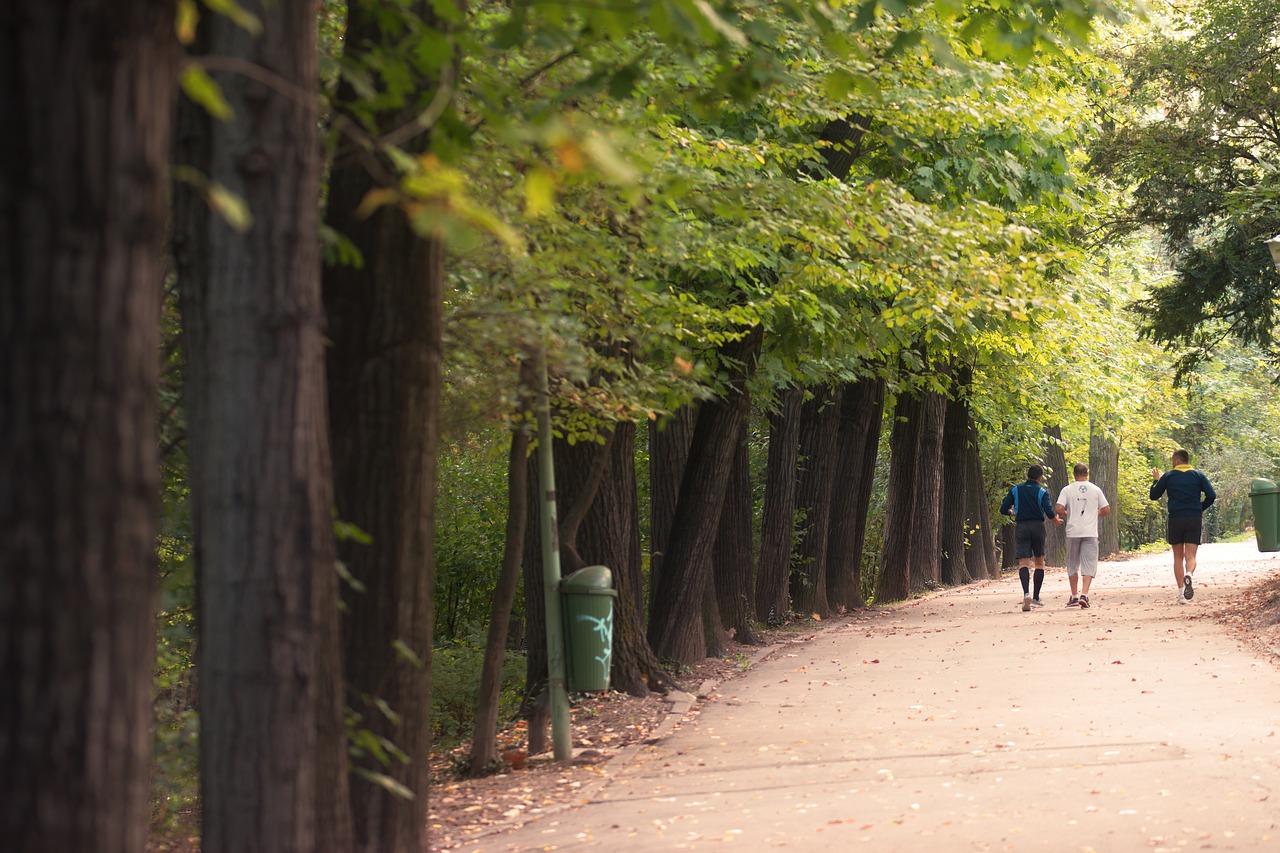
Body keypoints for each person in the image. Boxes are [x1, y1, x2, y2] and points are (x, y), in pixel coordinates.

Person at [1149, 450, 1216, 604]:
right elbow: (1211, 495)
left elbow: (1154, 496)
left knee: (1178, 557)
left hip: (1176, 518)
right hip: (1194, 517)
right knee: (1191, 556)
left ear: (1177, 460)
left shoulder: (1169, 476)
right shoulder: (1198, 475)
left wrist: (1155, 480)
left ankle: (1181, 594)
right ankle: (1190, 574)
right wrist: (1200, 507)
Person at [1000, 465, 1060, 611]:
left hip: (1021, 527)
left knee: (1023, 563)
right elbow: (1049, 511)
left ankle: (1026, 593)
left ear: (1028, 475)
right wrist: (1055, 520)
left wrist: (1012, 512)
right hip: (1037, 527)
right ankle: (1036, 597)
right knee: (1039, 562)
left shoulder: (1015, 489)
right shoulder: (1042, 491)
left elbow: (1003, 509)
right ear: (1040, 477)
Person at [1054, 463, 1111, 609]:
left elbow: (1059, 508)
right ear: (1087, 473)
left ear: (1074, 474)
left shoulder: (1067, 489)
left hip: (1073, 532)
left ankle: (1074, 596)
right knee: (1089, 563)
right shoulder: (1095, 489)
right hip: (1090, 532)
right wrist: (1095, 513)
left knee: (1072, 563)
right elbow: (1106, 509)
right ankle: (1084, 594)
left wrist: (1067, 513)